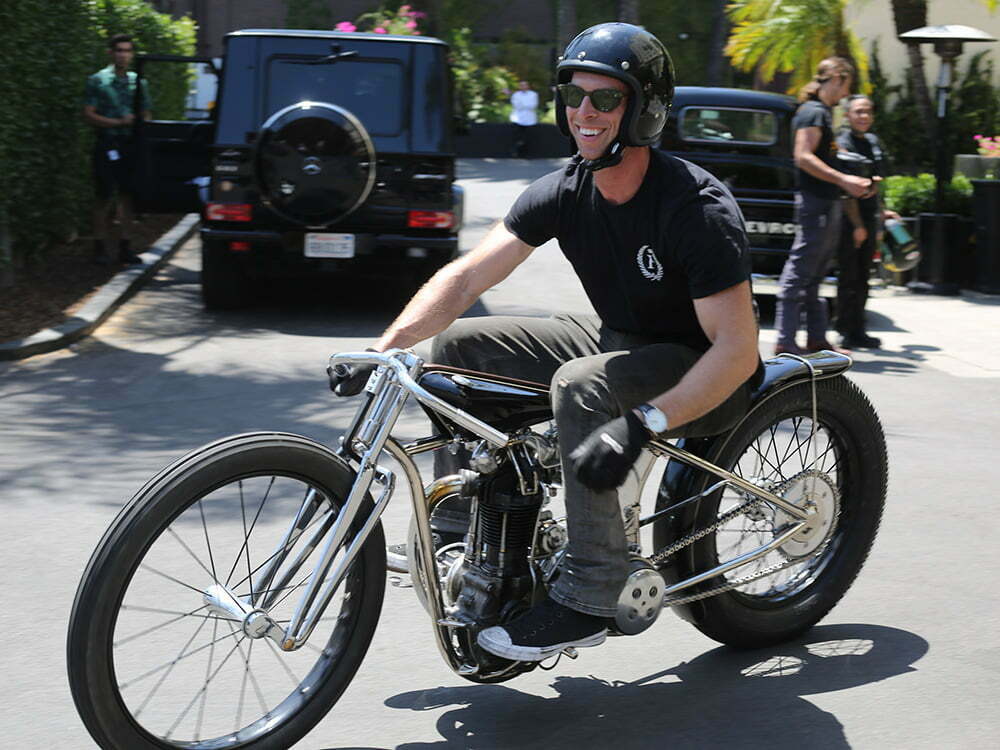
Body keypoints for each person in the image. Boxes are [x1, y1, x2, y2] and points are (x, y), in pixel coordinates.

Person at [331, 22, 762, 662]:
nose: (584, 112)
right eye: (573, 95)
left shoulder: (694, 208)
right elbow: (470, 273)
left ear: (643, 111)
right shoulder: (567, 188)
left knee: (580, 386)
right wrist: (386, 347)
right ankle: (462, 525)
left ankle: (590, 592)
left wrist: (641, 424)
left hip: (699, 367)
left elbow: (738, 352)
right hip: (620, 340)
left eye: (605, 98)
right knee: (458, 346)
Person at [774, 57, 874, 356]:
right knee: (800, 272)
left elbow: (826, 157)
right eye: (846, 86)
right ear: (836, 79)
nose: (846, 95)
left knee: (815, 275)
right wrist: (845, 180)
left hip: (827, 201)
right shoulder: (813, 112)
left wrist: (857, 176)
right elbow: (803, 156)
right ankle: (785, 342)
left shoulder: (823, 113)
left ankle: (817, 340)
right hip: (816, 202)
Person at [835, 94, 900, 349]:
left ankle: (858, 328)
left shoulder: (872, 142)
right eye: (859, 112)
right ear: (848, 115)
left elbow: (874, 183)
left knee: (864, 276)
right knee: (849, 275)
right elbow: (845, 191)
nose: (864, 116)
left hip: (870, 216)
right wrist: (858, 225)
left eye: (868, 112)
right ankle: (845, 330)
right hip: (851, 219)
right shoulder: (842, 143)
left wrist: (883, 212)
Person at [83, 33, 151, 265]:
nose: (123, 54)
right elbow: (89, 114)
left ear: (132, 54)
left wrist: (140, 123)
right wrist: (118, 123)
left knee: (127, 196)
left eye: (127, 50)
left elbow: (146, 113)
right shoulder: (98, 81)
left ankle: (125, 246)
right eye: (119, 50)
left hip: (130, 145)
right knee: (103, 196)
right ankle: (99, 246)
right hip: (107, 143)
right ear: (110, 53)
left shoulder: (138, 82)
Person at [509, 80, 539, 157]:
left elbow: (533, 105)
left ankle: (527, 155)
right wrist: (525, 105)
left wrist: (522, 104)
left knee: (528, 138)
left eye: (525, 85)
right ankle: (516, 154)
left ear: (528, 86)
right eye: (521, 85)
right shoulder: (516, 94)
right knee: (517, 137)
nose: (523, 87)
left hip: (530, 120)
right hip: (517, 119)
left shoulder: (533, 94)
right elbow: (517, 106)